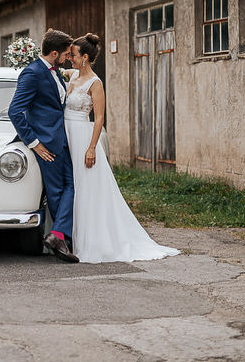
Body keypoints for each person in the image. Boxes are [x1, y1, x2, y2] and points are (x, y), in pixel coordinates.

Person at [65, 33, 180, 263]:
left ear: (85, 57)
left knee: (87, 190)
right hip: (66, 135)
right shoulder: (72, 75)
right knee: (72, 186)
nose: (70, 58)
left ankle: (92, 241)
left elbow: (99, 119)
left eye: (74, 55)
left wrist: (91, 148)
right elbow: (54, 68)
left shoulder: (95, 83)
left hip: (83, 138)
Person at [8, 28, 79, 263]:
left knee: (71, 185)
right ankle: (62, 241)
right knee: (58, 192)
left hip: (62, 139)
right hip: (46, 144)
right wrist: (34, 143)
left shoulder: (54, 72)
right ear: (55, 53)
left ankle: (59, 235)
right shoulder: (33, 73)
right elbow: (15, 111)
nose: (68, 58)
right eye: (66, 54)